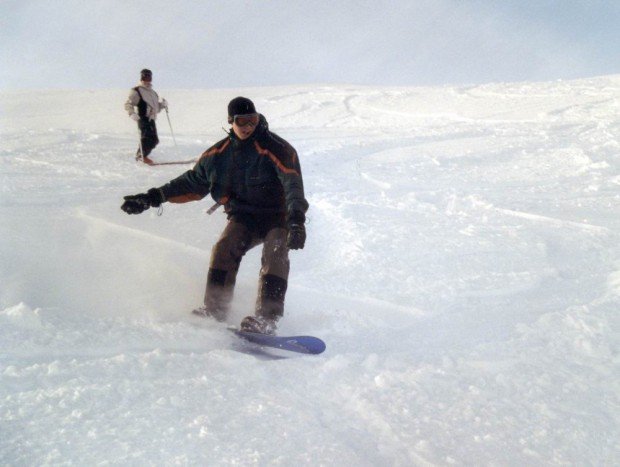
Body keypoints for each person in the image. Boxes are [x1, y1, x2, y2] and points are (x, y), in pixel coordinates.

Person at [120, 97, 308, 335]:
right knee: (223, 248)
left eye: (252, 120)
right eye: (242, 121)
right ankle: (215, 309)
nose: (248, 126)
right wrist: (152, 197)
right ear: (231, 122)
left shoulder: (279, 149)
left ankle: (267, 319)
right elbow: (191, 182)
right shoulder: (219, 155)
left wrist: (296, 220)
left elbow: (293, 187)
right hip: (245, 217)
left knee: (275, 252)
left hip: (278, 216)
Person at [124, 68, 168, 164]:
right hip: (143, 117)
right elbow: (128, 104)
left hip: (151, 119)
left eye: (149, 76)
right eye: (145, 76)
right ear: (141, 77)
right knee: (148, 138)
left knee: (155, 140)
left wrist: (162, 105)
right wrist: (132, 113)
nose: (147, 78)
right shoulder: (137, 90)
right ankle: (141, 156)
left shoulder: (153, 93)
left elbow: (156, 108)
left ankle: (142, 155)